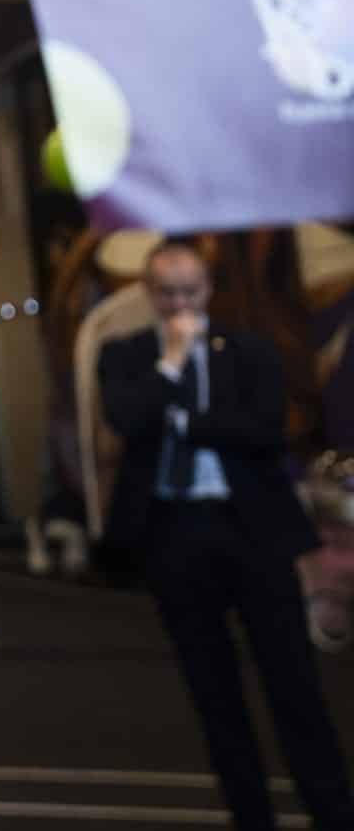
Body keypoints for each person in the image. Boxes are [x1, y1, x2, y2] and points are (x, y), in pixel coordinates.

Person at [102, 239, 354, 831]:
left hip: (253, 531)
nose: (180, 304)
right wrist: (170, 366)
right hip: (174, 533)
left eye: (190, 291)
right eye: (167, 293)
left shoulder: (250, 350)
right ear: (148, 292)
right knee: (214, 693)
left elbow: (263, 431)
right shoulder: (126, 354)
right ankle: (250, 817)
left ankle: (333, 813)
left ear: (208, 289)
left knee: (293, 683)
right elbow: (128, 419)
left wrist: (184, 422)